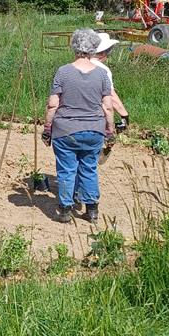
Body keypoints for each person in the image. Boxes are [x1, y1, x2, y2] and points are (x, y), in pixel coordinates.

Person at [42, 30, 115, 224]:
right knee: (89, 168)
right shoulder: (101, 74)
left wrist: (47, 128)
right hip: (94, 130)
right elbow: (108, 106)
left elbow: (53, 105)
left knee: (66, 170)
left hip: (65, 131)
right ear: (93, 48)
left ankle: (65, 210)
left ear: (74, 47)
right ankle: (91, 210)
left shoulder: (63, 71)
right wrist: (110, 130)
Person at [91, 33, 129, 133]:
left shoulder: (75, 65)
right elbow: (111, 95)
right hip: (93, 118)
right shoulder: (103, 70)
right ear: (104, 52)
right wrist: (124, 114)